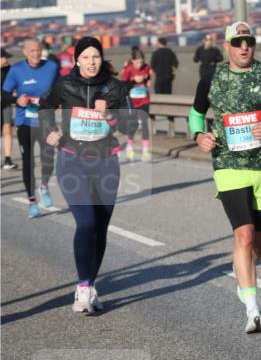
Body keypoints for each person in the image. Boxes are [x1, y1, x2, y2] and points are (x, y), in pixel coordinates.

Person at [188, 21, 261, 334]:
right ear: (227, 46)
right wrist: (199, 135)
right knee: (244, 235)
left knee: (260, 246)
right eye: (237, 42)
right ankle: (253, 310)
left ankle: (257, 258)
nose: (244, 47)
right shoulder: (212, 77)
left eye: (248, 41)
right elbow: (196, 113)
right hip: (228, 165)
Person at [39, 37, 131, 314]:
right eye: (86, 57)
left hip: (106, 162)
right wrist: (49, 133)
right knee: (87, 223)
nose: (92, 62)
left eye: (96, 57)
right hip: (72, 160)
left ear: (102, 59)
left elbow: (130, 121)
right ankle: (82, 287)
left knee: (100, 230)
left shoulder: (115, 87)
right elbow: (44, 109)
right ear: (77, 60)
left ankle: (90, 286)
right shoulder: (64, 85)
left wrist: (110, 116)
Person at [3, 40, 59, 216]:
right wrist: (16, 100)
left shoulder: (52, 67)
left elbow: (62, 88)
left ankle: (43, 186)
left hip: (46, 121)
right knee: (28, 161)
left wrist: (56, 102)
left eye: (38, 51)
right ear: (25, 52)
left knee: (48, 157)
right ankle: (32, 202)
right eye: (32, 51)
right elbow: (3, 95)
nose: (36, 54)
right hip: (25, 122)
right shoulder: (16, 70)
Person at [119, 47, 153, 161]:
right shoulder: (129, 69)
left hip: (144, 99)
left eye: (141, 62)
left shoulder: (146, 67)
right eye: (137, 62)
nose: (139, 64)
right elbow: (123, 85)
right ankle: (129, 146)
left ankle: (145, 151)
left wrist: (148, 81)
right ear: (132, 61)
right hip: (132, 101)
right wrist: (134, 81)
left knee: (145, 124)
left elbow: (148, 75)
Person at [1, 49, 15, 170]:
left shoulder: (10, 70)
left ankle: (7, 158)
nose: (6, 60)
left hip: (6, 103)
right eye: (4, 57)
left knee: (7, 130)